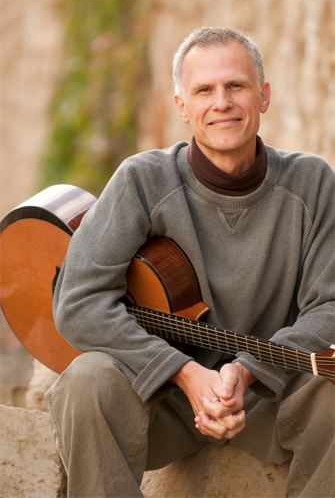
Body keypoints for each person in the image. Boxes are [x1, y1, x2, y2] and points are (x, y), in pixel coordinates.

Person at [45, 27, 335, 498]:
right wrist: (182, 372)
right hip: (162, 403)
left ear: (263, 96)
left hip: (271, 397)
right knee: (86, 381)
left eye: (236, 86)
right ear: (182, 106)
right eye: (204, 90)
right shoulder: (142, 181)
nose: (221, 102)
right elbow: (78, 302)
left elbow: (331, 306)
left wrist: (245, 370)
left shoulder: (313, 183)